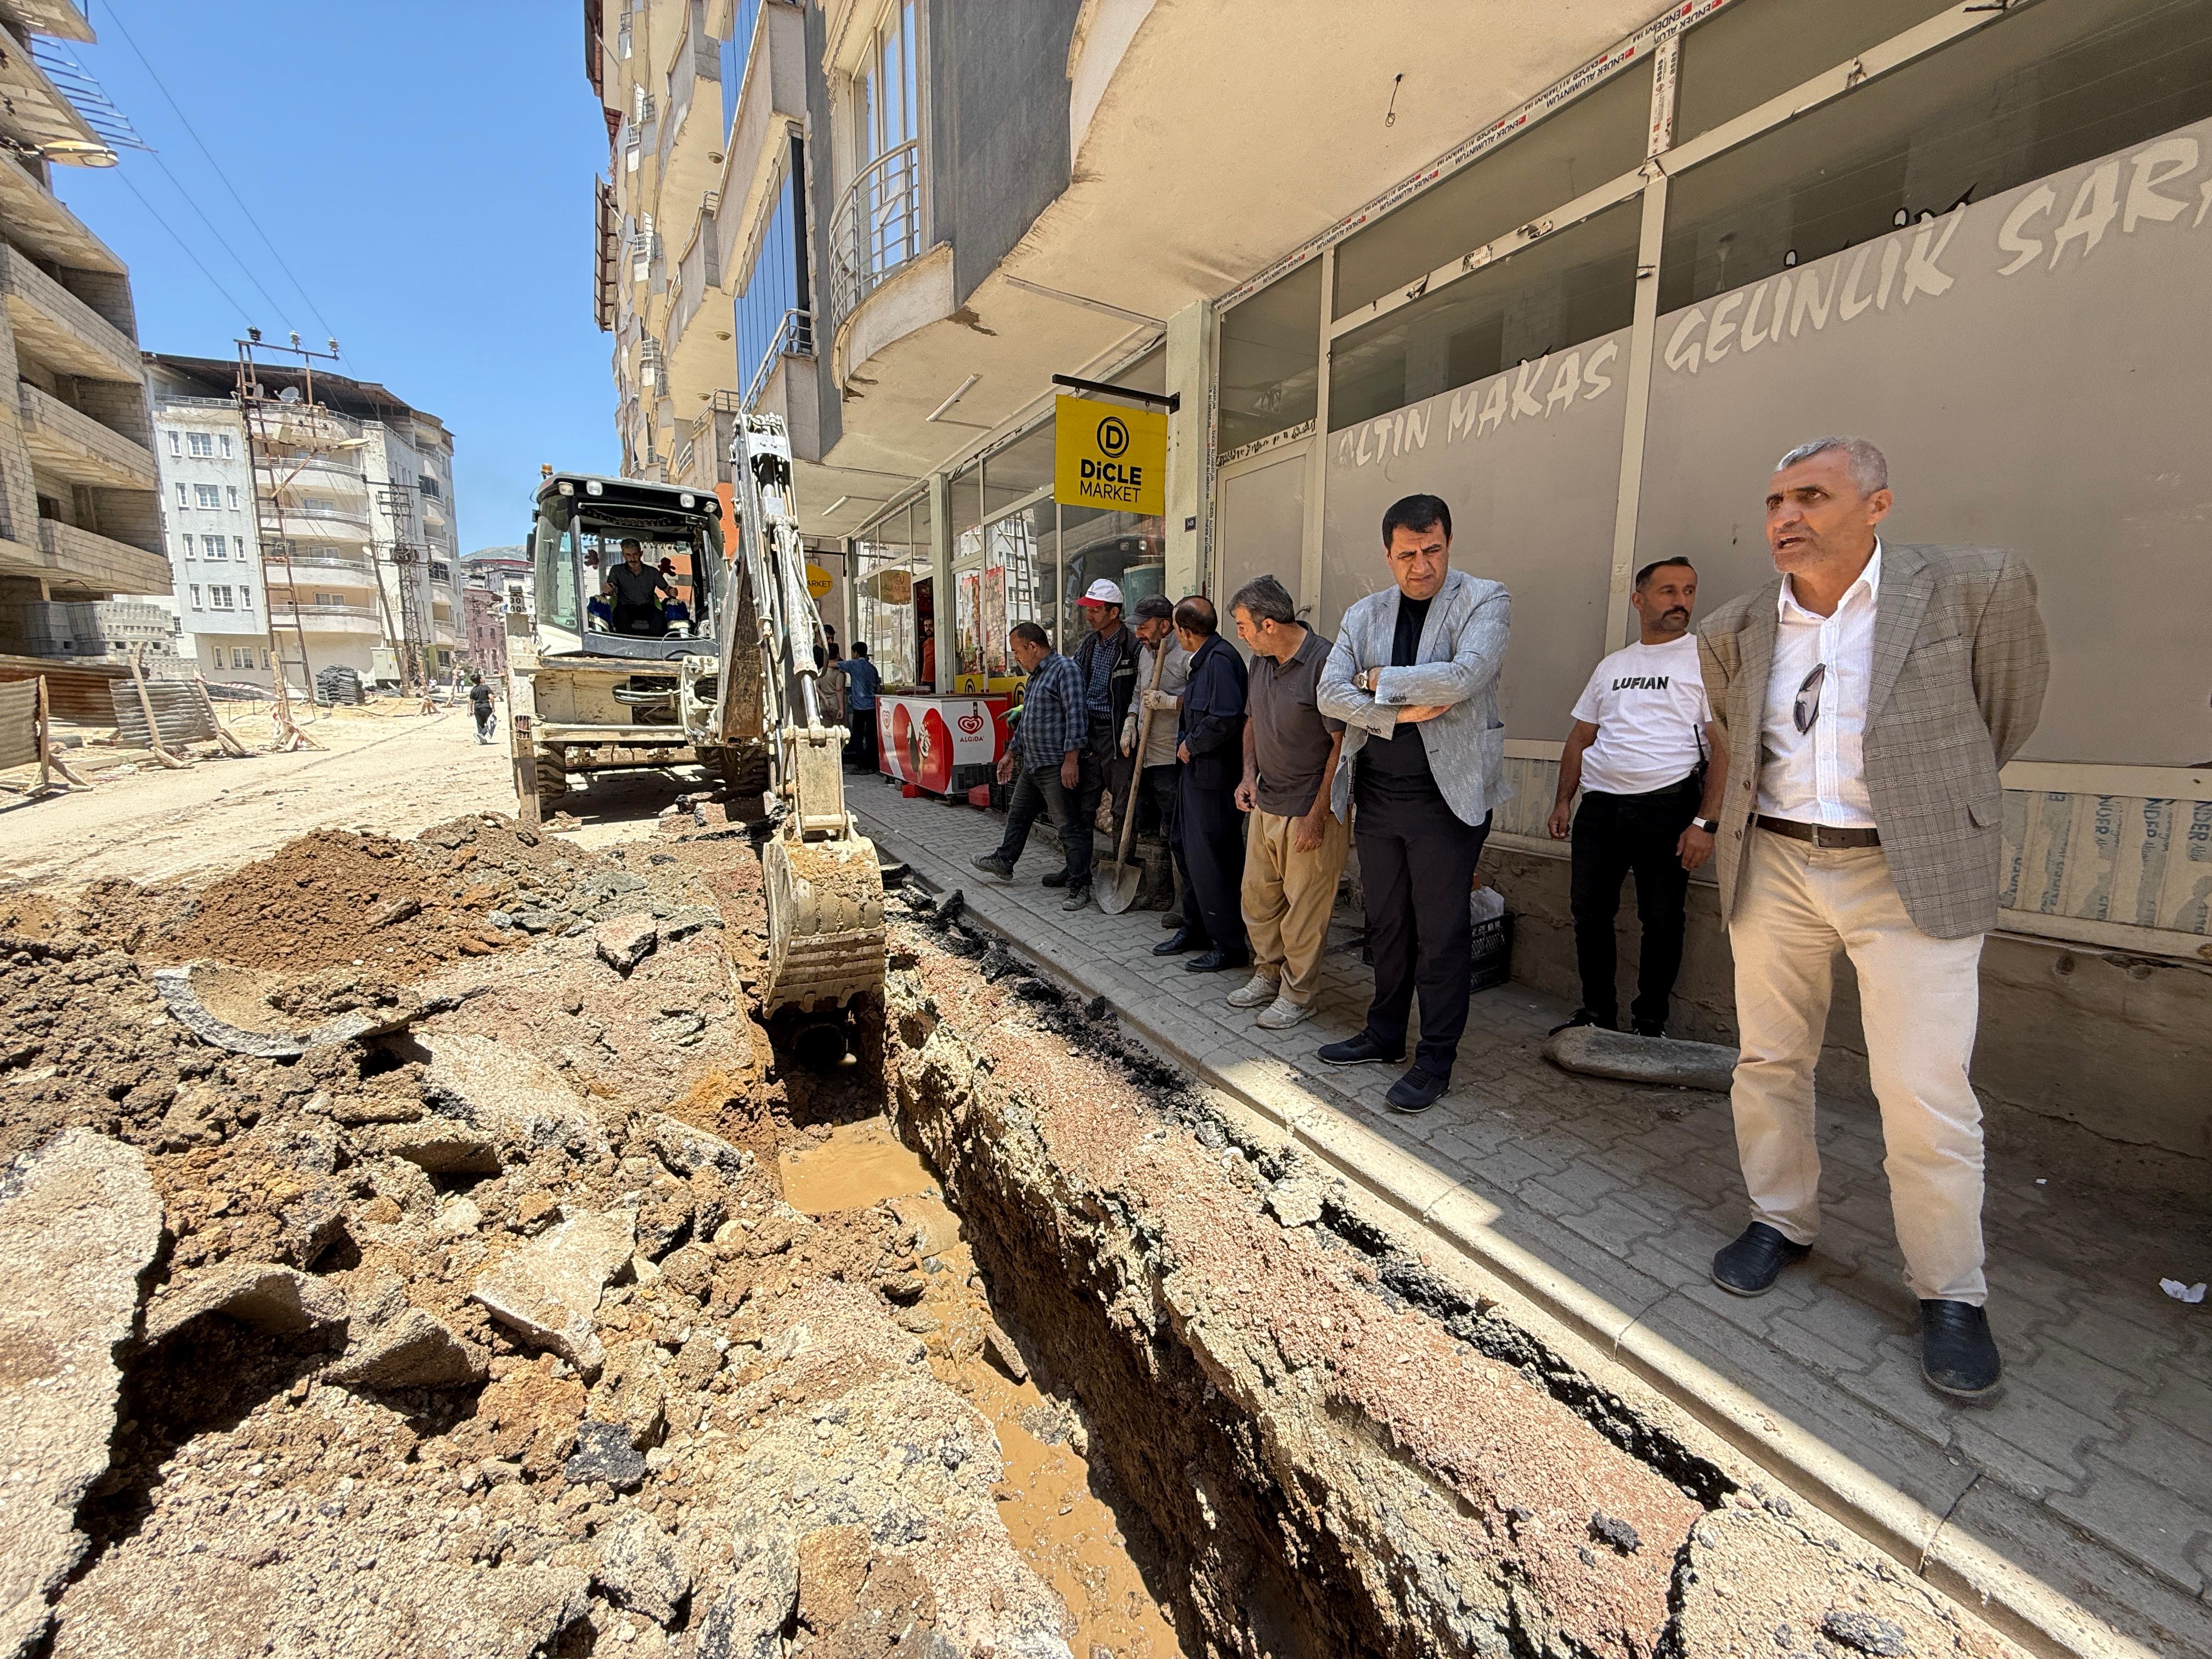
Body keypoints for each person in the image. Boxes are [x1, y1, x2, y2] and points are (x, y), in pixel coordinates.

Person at [1697, 437, 2047, 1401]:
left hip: (1907, 872)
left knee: (1924, 1092)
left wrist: (1926, 809)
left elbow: (2002, 714)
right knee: (1768, 1060)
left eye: (1811, 494)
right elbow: (1741, 732)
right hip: (1775, 860)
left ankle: (1949, 1290)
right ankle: (1780, 1217)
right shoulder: (1733, 624)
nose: (1785, 515)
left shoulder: (1971, 587)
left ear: (1878, 503)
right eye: (1773, 498)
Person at [1316, 494, 1510, 1115]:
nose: (1420, 565)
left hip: (1446, 801)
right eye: (1407, 554)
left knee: (1441, 933)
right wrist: (1398, 710)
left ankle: (1435, 1059)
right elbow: (1326, 693)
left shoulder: (1484, 598)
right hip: (1376, 795)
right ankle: (1384, 1034)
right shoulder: (1362, 613)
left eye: (1432, 551)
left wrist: (1375, 681)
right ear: (1388, 554)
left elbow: (1463, 677)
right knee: (1388, 925)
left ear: (1448, 544)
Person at [1547, 558, 1728, 1038]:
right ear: (1639, 599)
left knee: (1663, 919)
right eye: (1668, 591)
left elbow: (1725, 750)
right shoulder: (1614, 666)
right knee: (1589, 913)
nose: (1681, 601)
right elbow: (1579, 738)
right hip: (1601, 809)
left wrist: (1705, 824)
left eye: (1688, 591)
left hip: (1667, 809)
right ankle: (1597, 1015)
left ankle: (1651, 1024)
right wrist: (1564, 801)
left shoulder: (1703, 661)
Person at [1227, 575, 1347, 1030]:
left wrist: (1318, 816)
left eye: (1243, 625)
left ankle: (1299, 994)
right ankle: (1268, 973)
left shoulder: (1326, 662)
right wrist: (1247, 776)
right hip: (1268, 800)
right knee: (1257, 897)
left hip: (1311, 807)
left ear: (1270, 624)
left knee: (1305, 909)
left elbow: (1342, 746)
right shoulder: (1261, 660)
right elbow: (1254, 720)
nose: (1240, 633)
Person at [973, 622, 1091, 908]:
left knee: (1068, 827)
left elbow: (1077, 716)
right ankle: (1004, 861)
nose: (1016, 658)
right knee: (1018, 815)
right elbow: (1028, 722)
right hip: (1033, 764)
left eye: (1017, 652)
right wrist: (1011, 754)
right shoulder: (1035, 677)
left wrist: (1071, 760)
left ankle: (1080, 885)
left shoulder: (1066, 670)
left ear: (1033, 647)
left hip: (1055, 764)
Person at [1119, 596, 1201, 956]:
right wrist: (1130, 720)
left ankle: (1186, 907)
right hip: (1147, 755)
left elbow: (1201, 699)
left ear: (1165, 625)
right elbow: (1139, 694)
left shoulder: (1186, 655)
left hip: (1173, 756)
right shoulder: (1144, 654)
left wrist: (1169, 702)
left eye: (1144, 625)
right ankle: (1162, 893)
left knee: (1177, 831)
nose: (1138, 632)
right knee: (1153, 826)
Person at [1173, 596, 1249, 972]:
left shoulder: (1220, 662)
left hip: (1215, 780)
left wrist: (1191, 744)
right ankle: (1196, 928)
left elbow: (1225, 718)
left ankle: (1229, 945)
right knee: (1186, 851)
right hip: (1195, 776)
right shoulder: (1202, 662)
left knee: (1214, 862)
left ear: (1185, 632)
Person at [1066, 579, 1141, 906]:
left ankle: (1122, 866)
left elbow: (1140, 691)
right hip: (1089, 734)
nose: (1090, 616)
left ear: (1114, 612)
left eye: (1096, 610)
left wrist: (1131, 726)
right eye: (1088, 609)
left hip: (1118, 735)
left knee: (1123, 807)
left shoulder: (1132, 647)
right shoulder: (1089, 645)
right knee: (1084, 806)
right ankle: (1078, 877)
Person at [602, 539, 675, 635]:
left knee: (659, 618)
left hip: (648, 607)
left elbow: (666, 589)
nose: (632, 558)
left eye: (635, 554)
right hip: (625, 606)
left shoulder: (652, 572)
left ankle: (656, 645)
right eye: (628, 555)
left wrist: (671, 592)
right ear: (623, 555)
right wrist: (607, 589)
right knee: (621, 618)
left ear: (641, 553)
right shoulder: (616, 570)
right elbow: (611, 588)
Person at [839, 642, 882, 772]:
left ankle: (862, 763)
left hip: (859, 707)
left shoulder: (853, 664)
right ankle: (873, 763)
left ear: (856, 653)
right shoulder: (872, 668)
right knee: (872, 735)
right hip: (872, 707)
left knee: (857, 735)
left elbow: (832, 664)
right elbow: (878, 688)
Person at [467, 672, 497, 745]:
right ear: (480, 680)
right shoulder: (486, 688)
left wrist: (470, 711)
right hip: (486, 707)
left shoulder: (473, 690)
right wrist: (493, 707)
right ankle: (482, 735)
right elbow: (492, 698)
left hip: (477, 709)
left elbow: (471, 701)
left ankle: (481, 739)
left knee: (480, 724)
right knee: (491, 722)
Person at [917, 618, 937, 688]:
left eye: (930, 625)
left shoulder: (938, 643)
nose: (928, 628)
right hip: (925, 680)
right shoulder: (925, 644)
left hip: (936, 680)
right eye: (926, 626)